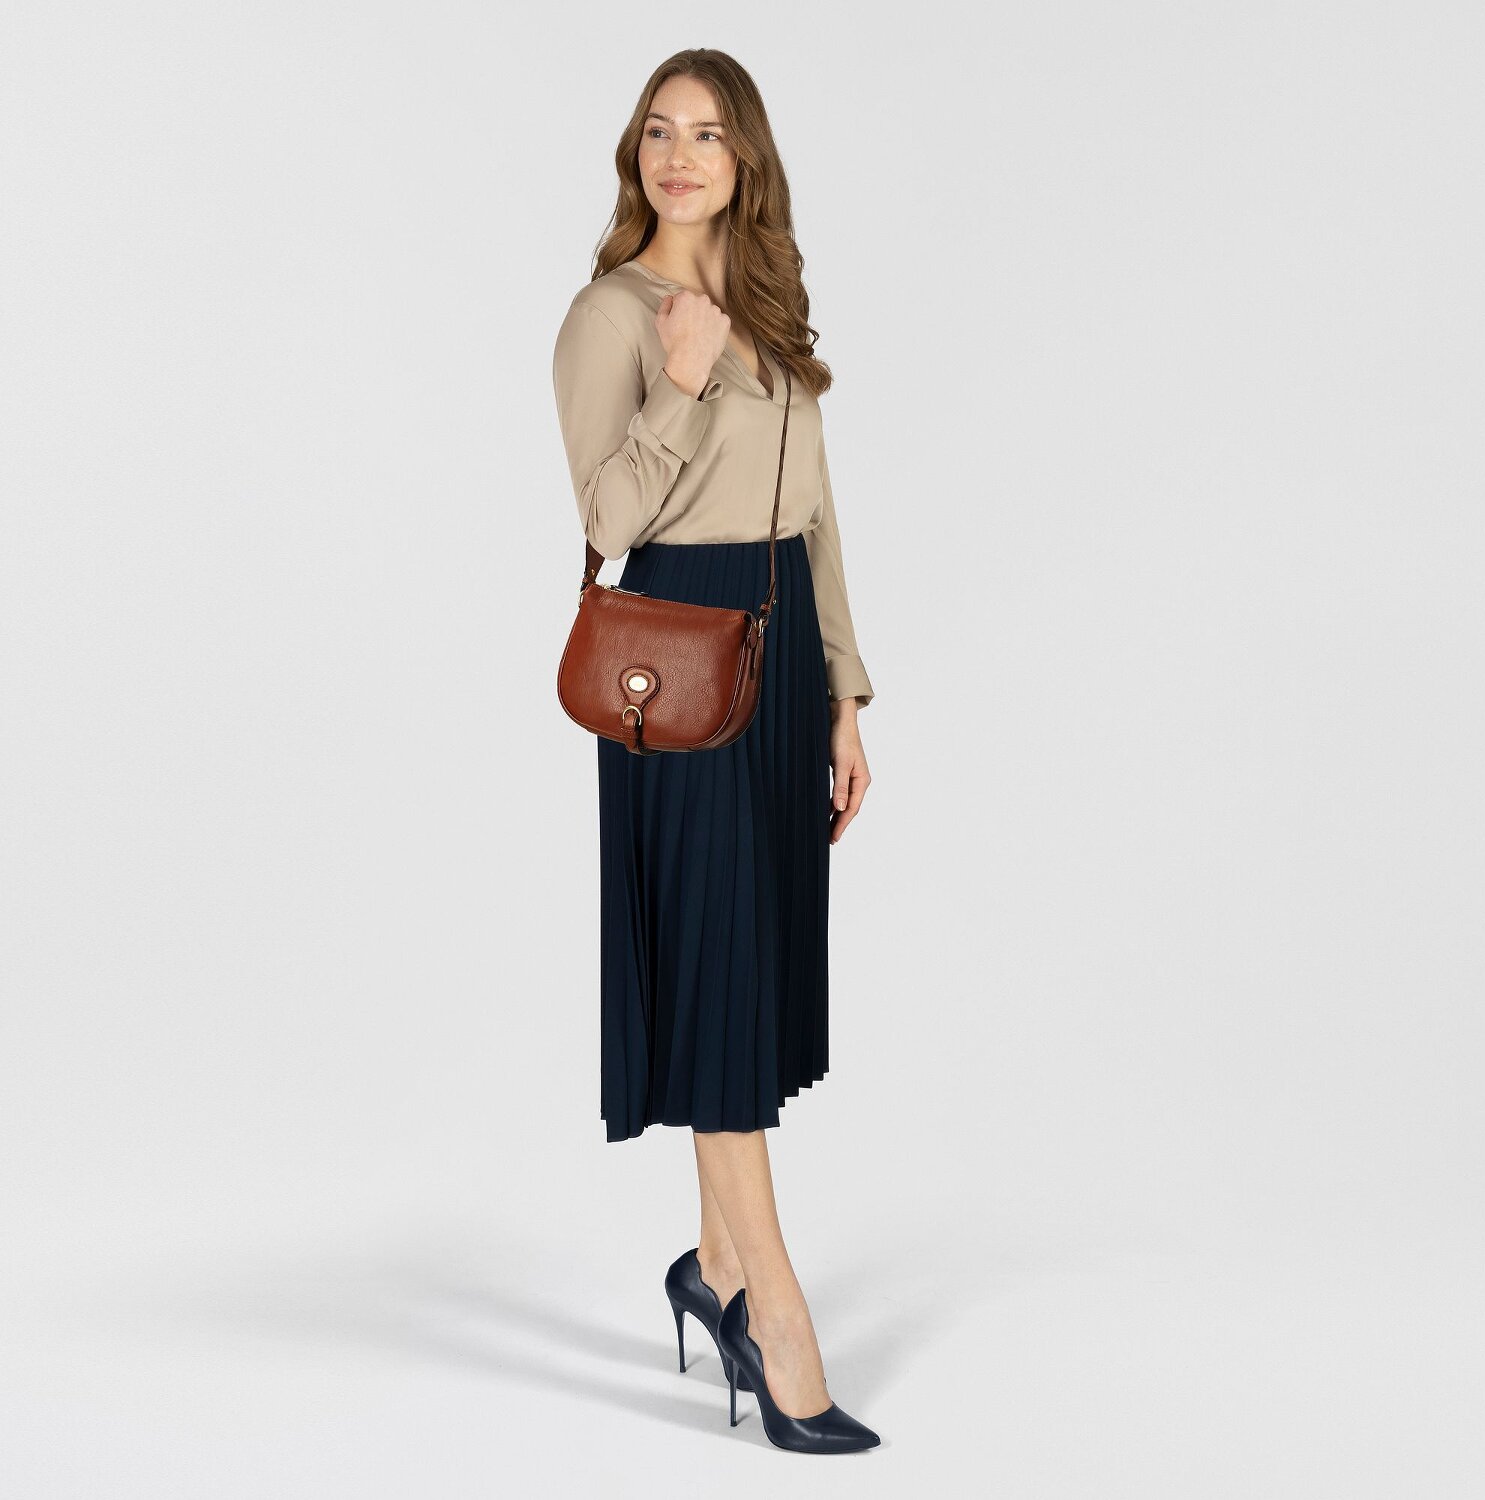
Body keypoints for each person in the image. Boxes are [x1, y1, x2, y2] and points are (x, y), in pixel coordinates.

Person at [550, 50, 880, 1455]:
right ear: (635, 155)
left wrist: (847, 694)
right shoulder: (610, 316)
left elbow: (815, 514)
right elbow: (606, 516)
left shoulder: (768, 308)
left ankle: (716, 1266)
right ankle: (778, 1326)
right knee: (717, 977)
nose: (678, 155)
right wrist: (679, 382)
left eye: (707, 133)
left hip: (782, 650)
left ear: (745, 159)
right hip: (679, 662)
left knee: (755, 972)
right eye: (657, 132)